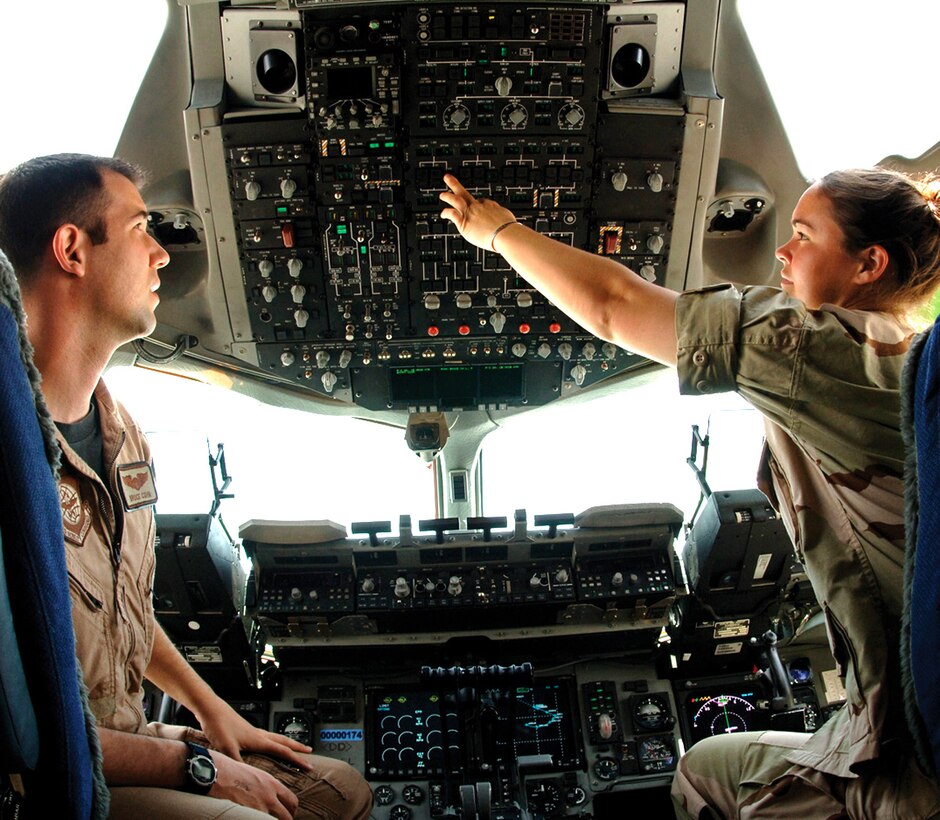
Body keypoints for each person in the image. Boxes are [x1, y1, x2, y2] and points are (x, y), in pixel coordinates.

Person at [440, 168, 940, 818]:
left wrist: (500, 232)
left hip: (907, 762)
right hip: (893, 724)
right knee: (709, 765)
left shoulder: (814, 346)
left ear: (870, 262)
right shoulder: (911, 361)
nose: (784, 253)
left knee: (703, 776)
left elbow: (615, 306)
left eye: (803, 236)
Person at [0, 154, 373, 820]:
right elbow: (21, 732)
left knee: (337, 791)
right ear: (72, 250)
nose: (162, 256)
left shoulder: (122, 439)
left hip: (129, 735)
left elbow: (130, 617)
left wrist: (210, 709)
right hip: (50, 779)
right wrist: (193, 765)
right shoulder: (8, 457)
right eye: (141, 228)